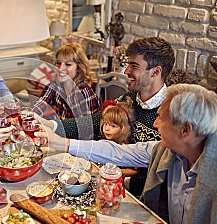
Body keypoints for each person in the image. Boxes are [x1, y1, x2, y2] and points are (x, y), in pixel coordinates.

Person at [36, 84, 217, 224]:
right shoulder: (164, 151)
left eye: (161, 118)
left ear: (185, 130)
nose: (155, 124)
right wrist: (60, 142)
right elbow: (117, 152)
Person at [36, 37, 175, 196]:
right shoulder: (128, 98)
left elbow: (158, 172)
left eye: (134, 65)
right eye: (127, 64)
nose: (126, 71)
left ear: (156, 72)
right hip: (112, 183)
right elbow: (94, 121)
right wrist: (51, 125)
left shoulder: (170, 114)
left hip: (142, 198)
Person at [32, 43, 100, 120]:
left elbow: (85, 127)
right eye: (58, 63)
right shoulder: (54, 85)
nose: (60, 68)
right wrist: (28, 115)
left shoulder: (83, 91)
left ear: (79, 67)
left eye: (68, 64)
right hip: (62, 130)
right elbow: (39, 106)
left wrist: (53, 125)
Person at [100, 99, 138, 177]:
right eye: (105, 124)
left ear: (124, 128)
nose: (107, 128)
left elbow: (135, 171)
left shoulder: (126, 149)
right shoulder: (105, 142)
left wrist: (116, 171)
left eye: (113, 126)